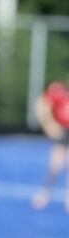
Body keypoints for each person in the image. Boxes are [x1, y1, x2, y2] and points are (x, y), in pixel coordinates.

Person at [31, 79, 69, 210]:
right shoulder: (58, 90)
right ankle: (45, 193)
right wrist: (48, 124)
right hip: (62, 130)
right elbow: (42, 105)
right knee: (56, 164)